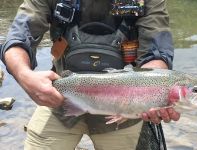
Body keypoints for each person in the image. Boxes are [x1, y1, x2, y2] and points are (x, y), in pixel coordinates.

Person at [0, 0, 180, 149]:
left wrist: (155, 90)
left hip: (122, 112)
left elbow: (157, 51)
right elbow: (18, 37)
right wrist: (24, 76)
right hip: (59, 101)